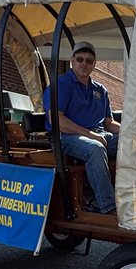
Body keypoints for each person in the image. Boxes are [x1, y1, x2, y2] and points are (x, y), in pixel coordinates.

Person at [43, 42, 120, 214]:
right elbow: (58, 121)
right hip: (64, 137)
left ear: (94, 64)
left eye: (89, 61)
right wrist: (91, 135)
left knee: (133, 144)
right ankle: (108, 207)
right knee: (95, 149)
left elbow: (109, 123)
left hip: (98, 134)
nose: (84, 64)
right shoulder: (61, 85)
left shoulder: (101, 90)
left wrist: (132, 133)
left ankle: (135, 195)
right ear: (72, 60)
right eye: (80, 59)